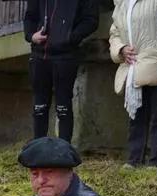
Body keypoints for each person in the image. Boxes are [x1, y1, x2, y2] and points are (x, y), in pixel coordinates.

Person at [110, 0, 157, 167]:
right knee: (136, 118)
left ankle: (156, 162)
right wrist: (121, 49)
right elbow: (115, 32)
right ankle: (134, 160)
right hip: (133, 67)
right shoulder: (122, 3)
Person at [23, 0, 100, 142]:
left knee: (63, 107)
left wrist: (70, 36)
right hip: (39, 55)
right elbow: (30, 16)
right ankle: (38, 149)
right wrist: (31, 35)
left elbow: (91, 20)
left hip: (66, 57)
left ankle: (64, 150)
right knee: (39, 107)